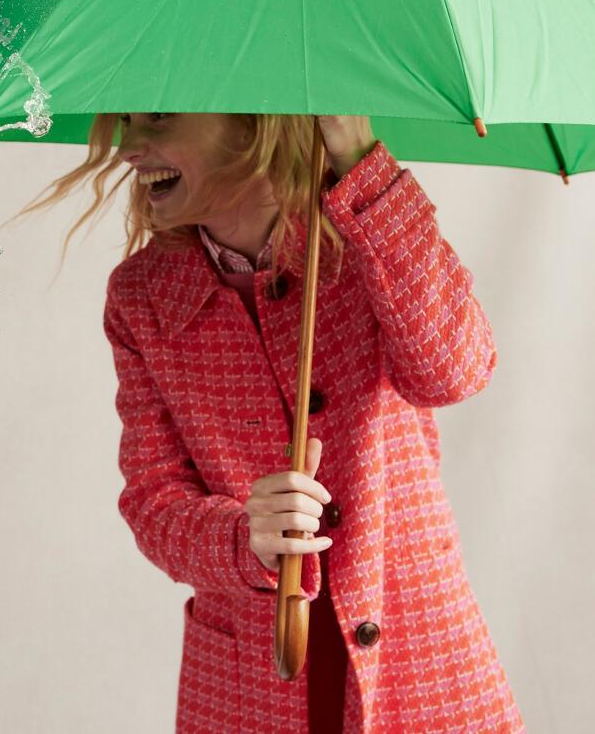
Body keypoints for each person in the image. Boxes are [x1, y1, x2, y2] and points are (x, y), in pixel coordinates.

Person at [36, 113, 522, 733]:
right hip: (247, 688)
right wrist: (246, 537)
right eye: (126, 122)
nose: (129, 147)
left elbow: (454, 371)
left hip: (417, 668)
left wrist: (356, 152)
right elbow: (154, 502)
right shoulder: (142, 295)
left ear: (254, 123)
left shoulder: (365, 236)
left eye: (157, 118)